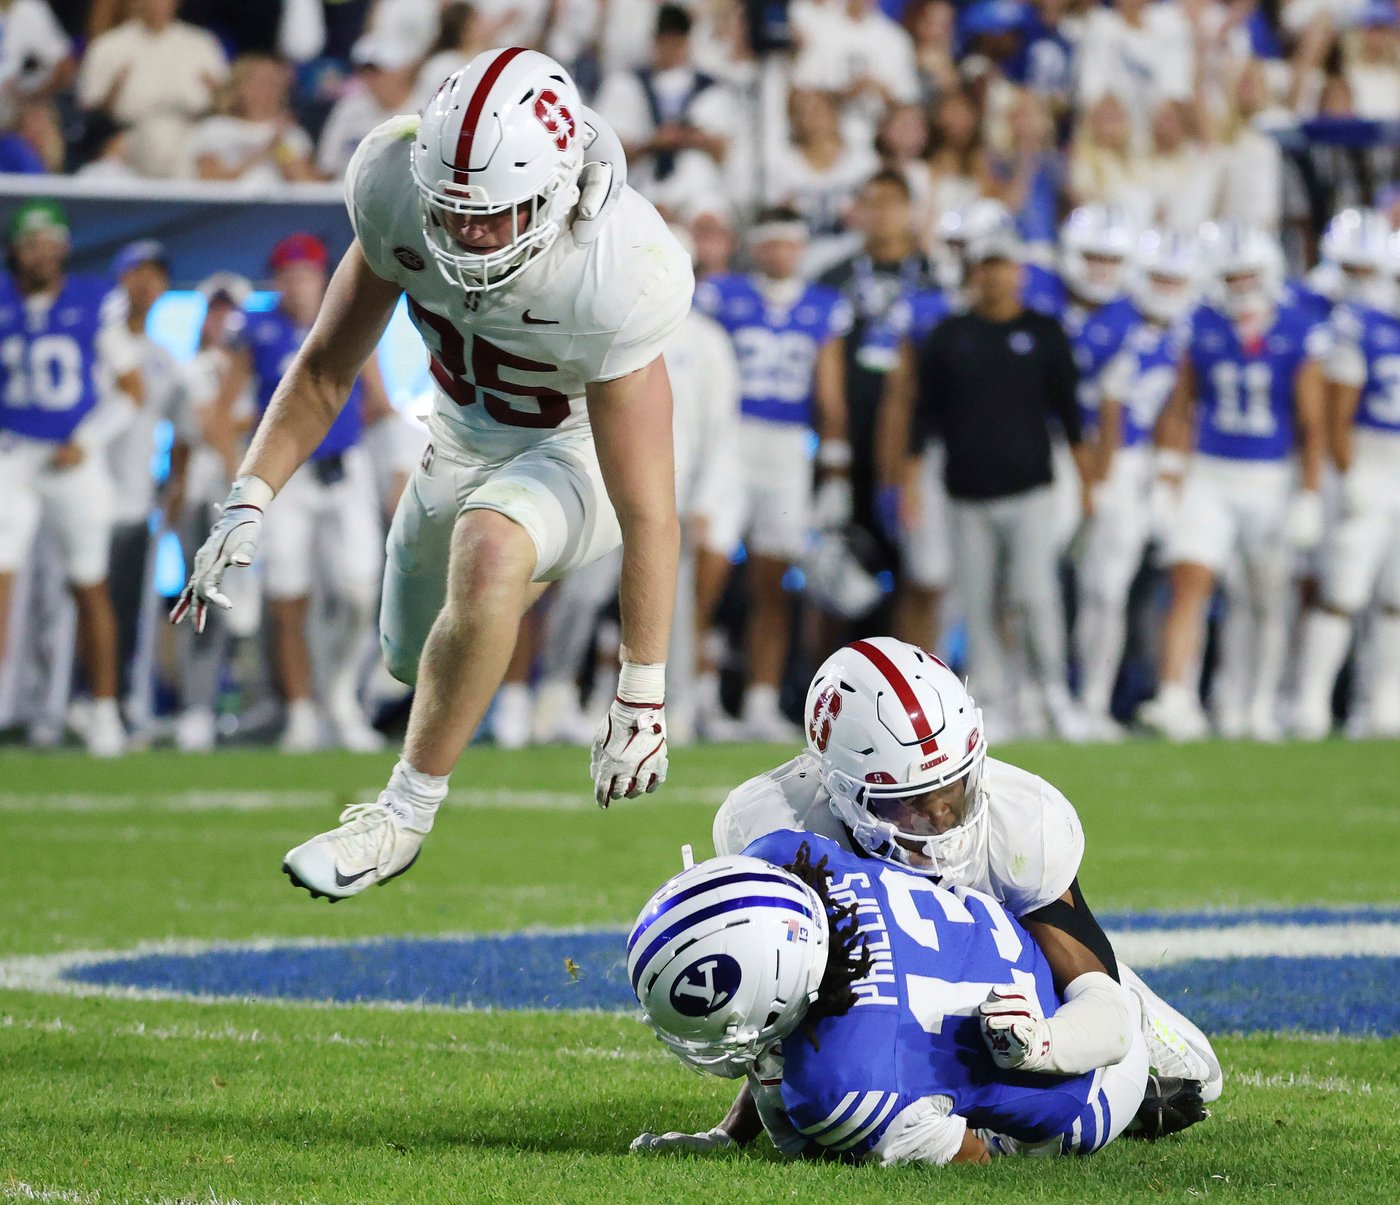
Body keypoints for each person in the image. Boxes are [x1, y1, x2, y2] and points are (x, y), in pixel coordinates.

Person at [173, 49, 693, 897]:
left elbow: (649, 511)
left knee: (490, 549)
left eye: (492, 213)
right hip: (455, 435)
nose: (467, 234)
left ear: (560, 190)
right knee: (414, 660)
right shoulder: (393, 183)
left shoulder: (621, 265)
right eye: (451, 210)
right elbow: (325, 370)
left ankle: (402, 815)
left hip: (577, 448)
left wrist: (642, 690)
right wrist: (248, 497)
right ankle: (498, 597)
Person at [634, 636, 1220, 1154]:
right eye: (911, 802)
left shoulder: (1021, 824)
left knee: (1200, 1078)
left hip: (1022, 977)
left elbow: (1099, 1006)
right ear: (838, 789)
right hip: (930, 998)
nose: (941, 819)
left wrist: (1050, 1041)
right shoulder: (778, 825)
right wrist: (732, 1131)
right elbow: (780, 993)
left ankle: (1130, 1039)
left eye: (954, 789)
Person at [629, 834, 1207, 1163]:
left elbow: (972, 1158)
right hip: (1027, 961)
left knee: (823, 1134)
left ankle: (1135, 1065)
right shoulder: (786, 855)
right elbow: (790, 1012)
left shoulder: (835, 1084)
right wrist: (728, 1135)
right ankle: (1116, 993)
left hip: (1085, 1087)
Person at [1140, 222, 1326, 742]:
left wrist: (1309, 494)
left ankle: (1257, 702)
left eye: (1249, 274)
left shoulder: (1298, 327)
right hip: (1211, 472)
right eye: (1231, 276)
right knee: (1189, 581)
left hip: (1270, 476)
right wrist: (1168, 477)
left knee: (1266, 595)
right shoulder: (1199, 324)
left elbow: (1312, 424)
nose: (1241, 285)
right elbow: (1179, 407)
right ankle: (1176, 697)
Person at [912, 223, 1092, 738]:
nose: (994, 276)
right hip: (965, 491)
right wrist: (910, 483)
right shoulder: (950, 335)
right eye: (986, 266)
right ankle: (989, 699)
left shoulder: (1044, 332)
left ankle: (1052, 690)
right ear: (974, 272)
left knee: (1034, 594)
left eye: (1003, 266)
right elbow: (923, 416)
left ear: (1020, 272)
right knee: (976, 601)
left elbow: (1070, 415)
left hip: (1031, 487)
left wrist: (1088, 484)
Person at [693, 208, 851, 741]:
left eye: (790, 243)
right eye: (772, 242)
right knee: (706, 572)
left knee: (774, 581)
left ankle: (761, 700)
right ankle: (697, 692)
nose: (781, 253)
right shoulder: (722, 295)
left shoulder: (822, 305)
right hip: (731, 440)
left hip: (787, 447)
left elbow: (829, 391)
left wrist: (836, 465)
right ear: (756, 247)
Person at [232, 232, 387, 753]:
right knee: (288, 596)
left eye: (307, 275)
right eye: (290, 276)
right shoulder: (257, 330)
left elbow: (379, 400)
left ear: (323, 278)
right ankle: (300, 710)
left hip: (344, 468)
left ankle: (339, 695)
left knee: (361, 591)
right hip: (289, 477)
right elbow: (226, 410)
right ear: (276, 281)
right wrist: (244, 477)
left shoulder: (350, 318)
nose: (299, 286)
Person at [0, 200, 129, 756]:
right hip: (12, 452)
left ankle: (104, 709)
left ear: (64, 248)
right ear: (15, 250)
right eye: (31, 244)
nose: (41, 254)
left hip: (73, 455)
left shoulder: (93, 299)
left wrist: (89, 440)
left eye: (50, 243)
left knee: (89, 582)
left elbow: (131, 390)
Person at [1075, 229, 1195, 735]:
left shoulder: (1184, 331)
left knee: (1116, 589)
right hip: (1094, 460)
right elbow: (1098, 405)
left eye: (1175, 280)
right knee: (1093, 587)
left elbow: (1179, 408)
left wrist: (1168, 473)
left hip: (1143, 464)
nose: (1166, 289)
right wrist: (1098, 475)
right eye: (1159, 278)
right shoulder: (1110, 324)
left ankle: (1100, 698)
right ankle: (1075, 698)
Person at [1293, 211, 1400, 739]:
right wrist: (1347, 470)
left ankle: (1382, 705)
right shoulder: (1363, 326)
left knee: (1396, 597)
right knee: (1343, 587)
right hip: (1369, 461)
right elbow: (1337, 414)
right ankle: (1310, 703)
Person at [100, 239, 192, 740]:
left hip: (134, 502)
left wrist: (174, 483)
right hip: (82, 493)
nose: (146, 283)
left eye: (155, 274)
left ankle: (112, 702)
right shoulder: (96, 340)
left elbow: (183, 427)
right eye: (137, 272)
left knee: (124, 608)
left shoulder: (162, 359)